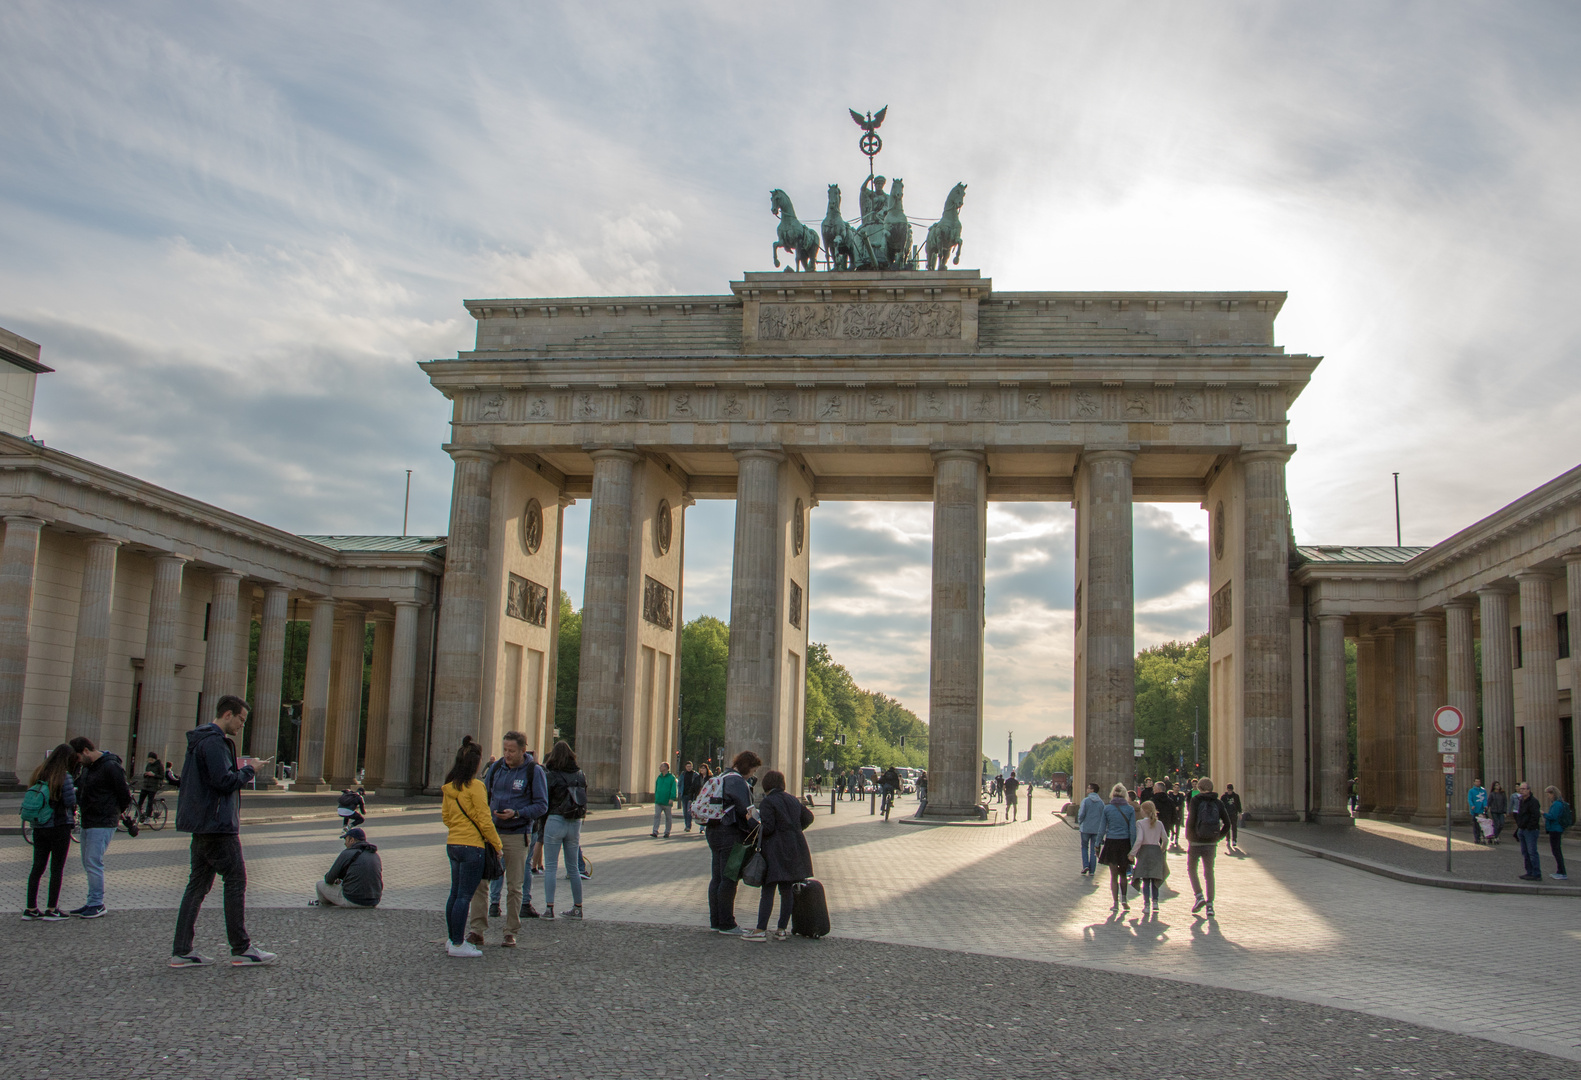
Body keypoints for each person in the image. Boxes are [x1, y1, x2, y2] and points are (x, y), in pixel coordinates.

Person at [170, 695, 277, 967]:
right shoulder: (215, 742)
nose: (242, 725)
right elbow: (224, 782)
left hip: (201, 825)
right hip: (218, 826)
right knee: (235, 881)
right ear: (227, 714)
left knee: (197, 886)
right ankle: (241, 948)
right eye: (241, 719)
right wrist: (249, 770)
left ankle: (182, 951)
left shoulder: (198, 741)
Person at [468, 732, 547, 947]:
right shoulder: (496, 768)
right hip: (491, 834)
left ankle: (510, 931)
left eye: (511, 751)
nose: (507, 754)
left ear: (523, 750)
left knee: (514, 886)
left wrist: (518, 813)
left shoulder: (534, 772)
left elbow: (542, 805)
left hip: (517, 833)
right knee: (481, 882)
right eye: (505, 750)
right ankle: (477, 929)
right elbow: (485, 796)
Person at [440, 740, 500, 957]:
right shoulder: (476, 787)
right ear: (475, 765)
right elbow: (485, 821)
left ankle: (451, 939)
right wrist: (497, 844)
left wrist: (457, 829)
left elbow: (446, 817)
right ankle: (458, 944)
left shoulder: (450, 787)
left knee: (455, 894)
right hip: (472, 846)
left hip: (453, 843)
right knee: (465, 896)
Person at [744, 769, 814, 942]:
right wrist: (795, 830)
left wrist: (751, 820)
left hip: (775, 850)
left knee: (768, 890)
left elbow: (767, 828)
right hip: (795, 848)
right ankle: (782, 929)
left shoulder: (769, 802)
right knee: (786, 891)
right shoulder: (792, 799)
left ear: (767, 785)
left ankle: (760, 929)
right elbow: (808, 817)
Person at [68, 735, 131, 919]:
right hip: (89, 820)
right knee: (88, 862)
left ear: (86, 751)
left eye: (79, 757)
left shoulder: (111, 766)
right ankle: (91, 901)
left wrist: (112, 811)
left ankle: (97, 903)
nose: (79, 762)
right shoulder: (89, 768)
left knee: (94, 862)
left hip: (103, 821)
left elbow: (124, 794)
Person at [706, 749, 761, 935]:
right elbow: (747, 810)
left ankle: (716, 920)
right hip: (729, 833)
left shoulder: (723, 776)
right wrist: (759, 826)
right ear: (748, 767)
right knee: (729, 878)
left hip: (713, 831)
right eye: (753, 771)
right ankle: (727, 923)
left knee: (717, 878)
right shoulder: (737, 781)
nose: (753, 774)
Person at [22, 743, 78, 921]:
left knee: (37, 867)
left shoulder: (39, 772)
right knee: (57, 868)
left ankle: (30, 908)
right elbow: (70, 801)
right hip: (59, 826)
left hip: (39, 827)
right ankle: (52, 908)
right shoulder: (64, 776)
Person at [541, 739, 587, 921]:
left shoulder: (551, 775)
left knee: (551, 867)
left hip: (555, 818)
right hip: (574, 821)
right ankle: (577, 907)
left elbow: (545, 800)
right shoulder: (580, 774)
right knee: (573, 868)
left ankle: (549, 908)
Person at [1187, 778, 1228, 917]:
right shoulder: (1218, 802)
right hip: (1211, 843)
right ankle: (1210, 905)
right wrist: (1218, 837)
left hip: (1196, 842)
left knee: (1192, 869)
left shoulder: (1196, 800)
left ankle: (1199, 896)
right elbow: (1227, 824)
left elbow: (1191, 820)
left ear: (1199, 787)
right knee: (1209, 872)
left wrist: (1190, 837)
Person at [316, 828, 383, 907]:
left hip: (354, 900)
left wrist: (335, 879)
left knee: (319, 885)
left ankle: (326, 907)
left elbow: (329, 879)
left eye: (346, 840)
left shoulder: (347, 853)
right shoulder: (374, 854)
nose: (345, 843)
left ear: (351, 840)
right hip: (374, 900)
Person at [1098, 783, 1137, 912]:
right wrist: (1133, 848)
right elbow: (1132, 830)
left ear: (1112, 794)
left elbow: (1102, 828)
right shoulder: (1130, 809)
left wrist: (1097, 844)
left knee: (1113, 875)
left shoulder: (1107, 809)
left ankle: (1115, 903)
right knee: (1123, 874)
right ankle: (1124, 899)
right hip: (1125, 843)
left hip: (1111, 842)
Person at [1131, 798, 1169, 916]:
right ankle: (1156, 902)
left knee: (1146, 879)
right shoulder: (1159, 823)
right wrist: (1161, 850)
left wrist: (1132, 853)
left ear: (1143, 811)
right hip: (1156, 850)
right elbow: (1166, 840)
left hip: (1145, 852)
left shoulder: (1140, 823)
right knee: (1155, 878)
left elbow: (1139, 840)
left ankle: (1146, 904)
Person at [1514, 781, 1543, 880]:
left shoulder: (1533, 801)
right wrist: (1520, 825)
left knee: (1532, 852)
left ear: (1528, 790)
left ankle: (1536, 873)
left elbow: (1535, 816)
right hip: (1522, 829)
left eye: (1523, 789)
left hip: (1530, 830)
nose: (1521, 791)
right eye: (1520, 789)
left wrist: (1529, 826)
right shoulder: (1521, 801)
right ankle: (1529, 872)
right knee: (1525, 852)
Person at [1543, 785, 1572, 880]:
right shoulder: (1559, 803)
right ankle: (1560, 871)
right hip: (1556, 829)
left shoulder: (1556, 804)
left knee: (1556, 851)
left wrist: (1543, 814)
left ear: (1553, 794)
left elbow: (1553, 817)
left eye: (1549, 794)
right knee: (1556, 850)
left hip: (1555, 829)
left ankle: (1562, 872)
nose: (1548, 796)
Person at [1076, 782, 1104, 876]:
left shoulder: (1085, 801)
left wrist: (1081, 822)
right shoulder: (1101, 802)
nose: (1087, 789)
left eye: (1088, 788)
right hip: (1096, 829)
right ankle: (1092, 870)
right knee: (1094, 849)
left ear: (1092, 790)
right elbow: (1103, 816)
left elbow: (1081, 814)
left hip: (1085, 828)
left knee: (1084, 847)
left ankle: (1085, 865)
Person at [652, 761, 677, 838]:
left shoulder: (671, 778)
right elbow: (656, 788)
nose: (659, 767)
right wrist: (656, 796)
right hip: (659, 800)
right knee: (657, 816)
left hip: (667, 801)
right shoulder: (659, 777)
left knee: (668, 817)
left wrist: (672, 798)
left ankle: (667, 832)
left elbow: (673, 789)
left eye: (661, 766)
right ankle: (655, 831)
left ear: (665, 768)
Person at [137, 752, 162, 821]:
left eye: (151, 760)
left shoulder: (159, 765)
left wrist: (154, 775)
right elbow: (145, 773)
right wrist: (146, 774)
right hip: (145, 785)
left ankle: (148, 817)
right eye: (149, 759)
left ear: (154, 759)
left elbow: (162, 776)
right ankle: (137, 815)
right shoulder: (148, 765)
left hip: (153, 786)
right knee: (140, 801)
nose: (150, 761)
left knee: (150, 802)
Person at [679, 760, 703, 833]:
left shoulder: (695, 775)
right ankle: (687, 824)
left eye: (690, 766)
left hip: (692, 796)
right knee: (685, 811)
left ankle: (688, 826)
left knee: (689, 811)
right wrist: (680, 792)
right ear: (685, 767)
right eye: (687, 766)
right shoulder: (683, 774)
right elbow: (679, 784)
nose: (689, 768)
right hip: (684, 794)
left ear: (692, 767)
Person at [1220, 783, 1243, 852]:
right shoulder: (1224, 797)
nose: (1230, 792)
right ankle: (1228, 839)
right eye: (1229, 790)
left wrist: (1240, 813)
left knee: (1234, 827)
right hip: (1226, 814)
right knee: (1227, 827)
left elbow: (1238, 804)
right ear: (1227, 790)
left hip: (1233, 813)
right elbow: (1221, 806)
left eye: (1231, 790)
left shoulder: (1236, 796)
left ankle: (1234, 840)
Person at [1467, 779, 1489, 844]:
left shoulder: (1483, 790)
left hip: (1482, 810)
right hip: (1475, 810)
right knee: (1476, 825)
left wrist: (1485, 805)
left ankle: (1483, 837)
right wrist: (1472, 805)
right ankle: (1477, 838)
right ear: (1474, 782)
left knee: (1483, 825)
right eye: (1476, 781)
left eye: (1479, 781)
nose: (1478, 783)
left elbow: (1485, 799)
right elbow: (1469, 799)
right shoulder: (1471, 791)